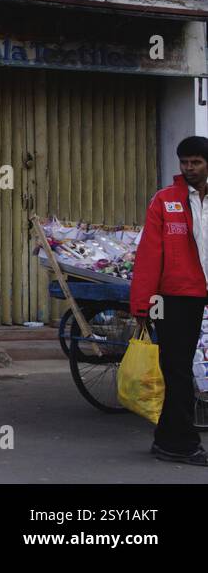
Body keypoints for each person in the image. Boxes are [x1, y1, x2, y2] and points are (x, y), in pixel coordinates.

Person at [131, 135, 208, 465]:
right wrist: (141, 303)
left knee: (179, 369)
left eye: (196, 163)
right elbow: (149, 254)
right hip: (175, 296)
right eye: (184, 163)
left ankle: (166, 439)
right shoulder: (165, 200)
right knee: (177, 369)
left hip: (201, 291)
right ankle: (182, 444)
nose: (189, 168)